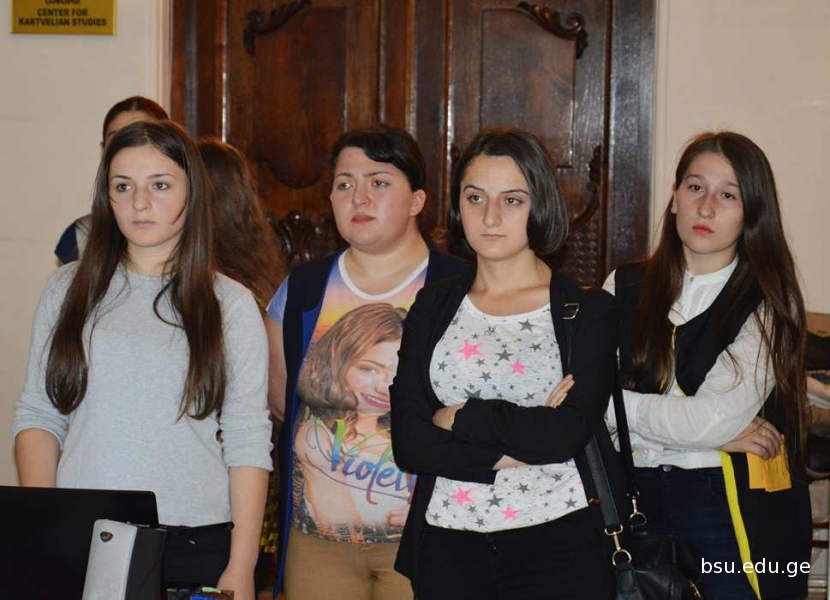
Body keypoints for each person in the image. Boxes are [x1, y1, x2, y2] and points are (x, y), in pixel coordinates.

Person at [14, 120, 272, 599]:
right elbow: (39, 414)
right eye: (123, 186)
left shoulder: (229, 303)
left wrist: (243, 564)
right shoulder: (68, 289)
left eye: (160, 185)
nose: (139, 202)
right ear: (106, 198)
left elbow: (247, 440)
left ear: (192, 193)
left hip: (193, 541)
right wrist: (45, 524)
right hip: (84, 536)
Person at [390, 128, 624, 600]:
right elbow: (410, 444)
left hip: (561, 543)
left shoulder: (587, 310)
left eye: (512, 200)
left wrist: (460, 418)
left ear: (540, 205)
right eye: (475, 197)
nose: (490, 216)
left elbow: (567, 434)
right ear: (458, 206)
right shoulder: (432, 305)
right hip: (447, 542)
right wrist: (521, 444)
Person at [604, 131, 811, 599]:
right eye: (695, 187)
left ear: (752, 212)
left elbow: (706, 419)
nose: (706, 207)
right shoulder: (624, 284)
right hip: (633, 497)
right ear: (674, 197)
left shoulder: (770, 300)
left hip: (728, 504)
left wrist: (624, 410)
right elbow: (583, 404)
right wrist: (715, 433)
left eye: (728, 195)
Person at [266, 124, 470, 599]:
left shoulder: (463, 287)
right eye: (344, 184)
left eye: (378, 182)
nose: (358, 198)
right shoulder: (302, 290)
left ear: (417, 200)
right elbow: (280, 402)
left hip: (430, 536)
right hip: (318, 543)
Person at [54, 96, 168, 264]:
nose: (128, 149)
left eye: (141, 137)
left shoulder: (196, 233)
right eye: (116, 139)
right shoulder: (83, 236)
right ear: (103, 150)